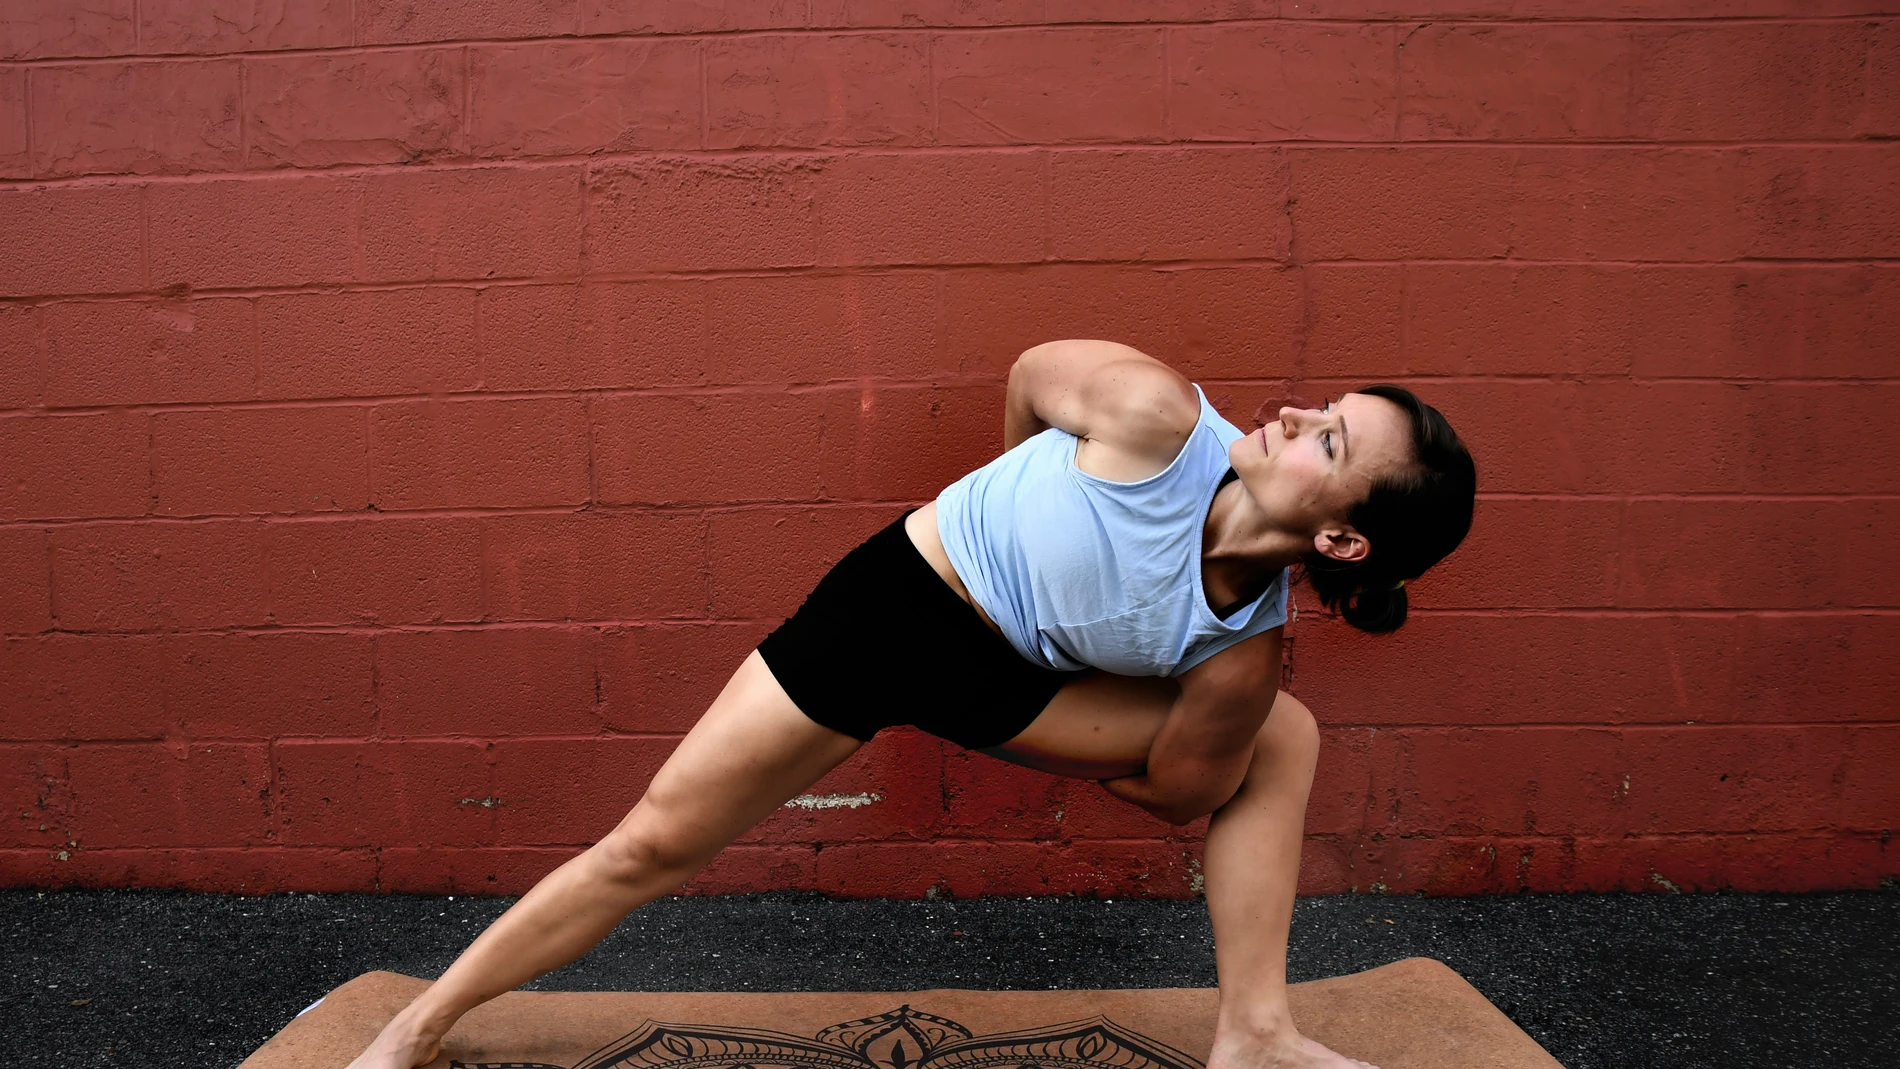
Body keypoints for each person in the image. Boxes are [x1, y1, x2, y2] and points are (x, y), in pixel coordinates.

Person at [347, 339, 1477, 1069]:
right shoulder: (1150, 414)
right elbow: (1035, 375)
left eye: (1325, 436)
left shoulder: (1239, 653)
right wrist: (1014, 516)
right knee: (651, 842)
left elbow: (1183, 791)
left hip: (1016, 688)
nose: (1286, 413)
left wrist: (1058, 705)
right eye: (1322, 404)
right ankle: (418, 1027)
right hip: (893, 606)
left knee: (1279, 734)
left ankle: (1256, 1034)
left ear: (1338, 537)